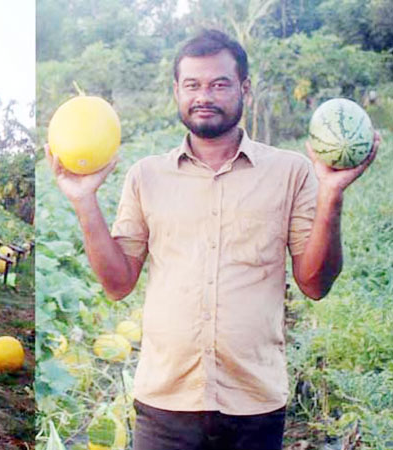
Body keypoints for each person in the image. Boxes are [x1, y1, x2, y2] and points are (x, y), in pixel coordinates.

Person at [45, 29, 380, 450]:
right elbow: (117, 285)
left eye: (219, 84)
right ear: (177, 92)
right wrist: (83, 201)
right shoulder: (146, 176)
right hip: (164, 402)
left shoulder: (290, 172)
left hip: (254, 404)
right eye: (193, 85)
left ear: (245, 89)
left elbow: (314, 284)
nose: (204, 95)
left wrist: (332, 193)